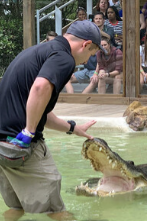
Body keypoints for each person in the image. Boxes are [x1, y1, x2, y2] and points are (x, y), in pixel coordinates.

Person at [0, 20, 101, 220]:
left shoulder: (40, 51)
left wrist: (73, 128)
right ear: (86, 44)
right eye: (90, 54)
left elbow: (40, 113)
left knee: (16, 208)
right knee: (57, 211)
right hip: (19, 146)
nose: (85, 61)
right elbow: (39, 88)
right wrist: (28, 131)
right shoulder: (64, 58)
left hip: (4, 146)